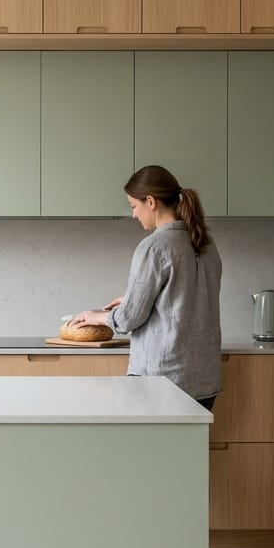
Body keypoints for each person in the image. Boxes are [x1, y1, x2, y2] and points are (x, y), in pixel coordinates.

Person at [67, 165, 222, 410]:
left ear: (150, 201)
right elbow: (186, 297)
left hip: (164, 379)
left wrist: (99, 317)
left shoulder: (154, 247)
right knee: (188, 449)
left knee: (154, 449)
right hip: (204, 378)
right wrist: (131, 298)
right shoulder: (205, 243)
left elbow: (129, 319)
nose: (133, 215)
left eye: (133, 206)